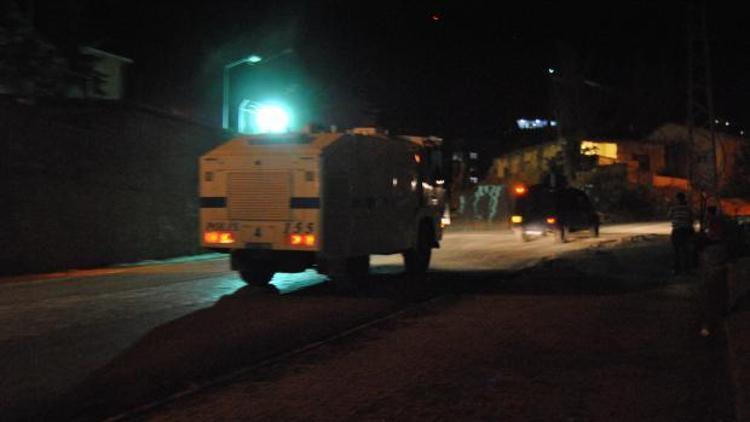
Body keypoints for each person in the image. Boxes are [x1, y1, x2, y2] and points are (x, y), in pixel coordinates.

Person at [667, 192, 694, 274]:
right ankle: (686, 269)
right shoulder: (688, 208)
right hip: (686, 231)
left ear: (677, 199)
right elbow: (691, 219)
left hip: (677, 230)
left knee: (676, 251)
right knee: (686, 250)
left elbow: (668, 217)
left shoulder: (673, 208)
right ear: (684, 199)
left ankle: (677, 269)